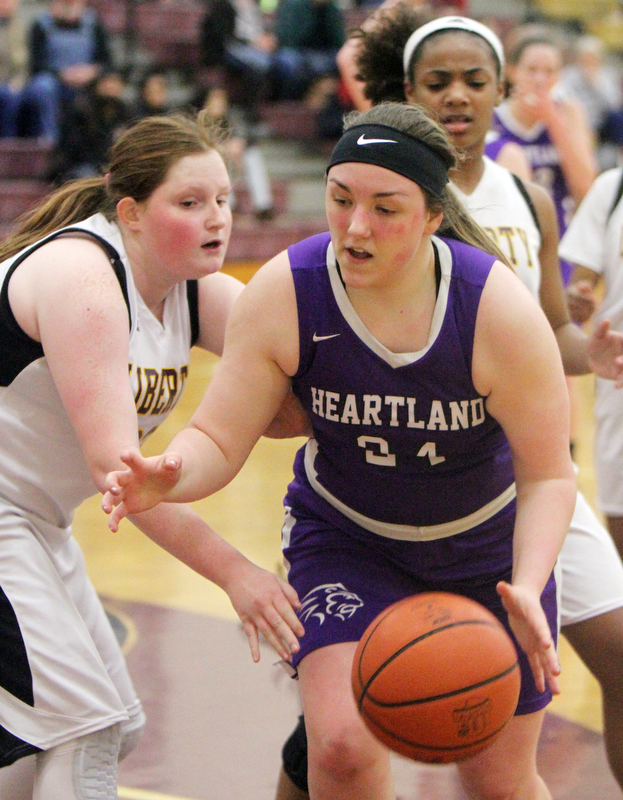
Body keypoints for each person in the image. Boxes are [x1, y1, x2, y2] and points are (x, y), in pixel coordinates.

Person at [103, 100, 577, 800]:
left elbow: (547, 476)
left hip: (488, 555)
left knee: (499, 781)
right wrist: (171, 477)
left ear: (431, 218)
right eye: (340, 199)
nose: (356, 226)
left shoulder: (494, 309)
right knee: (342, 748)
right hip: (348, 542)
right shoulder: (286, 291)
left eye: (385, 207)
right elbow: (215, 438)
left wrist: (530, 585)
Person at [274, 14, 623, 799]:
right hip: (383, 489)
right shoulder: (372, 197)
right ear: (406, 92)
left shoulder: (526, 199)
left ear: (503, 90)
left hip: (520, 484)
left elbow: (550, 329)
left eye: (474, 80)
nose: (458, 96)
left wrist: (590, 355)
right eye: (438, 83)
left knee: (605, 658)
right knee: (341, 726)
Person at [0, 110, 304, 799]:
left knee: (101, 725)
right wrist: (235, 572)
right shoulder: (84, 281)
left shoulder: (191, 289)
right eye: (190, 203)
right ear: (132, 212)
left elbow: (304, 383)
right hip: (7, 517)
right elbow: (124, 481)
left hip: (32, 522)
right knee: (84, 729)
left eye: (222, 201)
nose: (215, 219)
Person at [490, 26, 597, 287]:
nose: (540, 79)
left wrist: (552, 119)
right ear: (512, 72)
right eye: (532, 69)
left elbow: (586, 189)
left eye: (550, 71)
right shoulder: (492, 119)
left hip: (558, 240)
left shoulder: (568, 113)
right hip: (507, 240)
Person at [561, 168, 623, 566]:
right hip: (618, 373)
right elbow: (576, 286)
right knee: (617, 500)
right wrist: (575, 298)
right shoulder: (612, 188)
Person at [21, 0, 114, 143]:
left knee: (109, 86)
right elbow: (35, 65)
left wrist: (91, 72)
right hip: (55, 81)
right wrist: (62, 74)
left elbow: (107, 62)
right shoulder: (41, 25)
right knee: (42, 86)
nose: (69, 5)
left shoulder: (94, 24)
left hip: (88, 81)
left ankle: (105, 141)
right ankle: (49, 140)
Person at [272, 0, 346, 101]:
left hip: (323, 53)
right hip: (297, 52)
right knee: (288, 60)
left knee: (341, 59)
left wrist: (325, 12)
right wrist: (313, 11)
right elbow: (290, 39)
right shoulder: (294, 5)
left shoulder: (331, 8)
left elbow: (339, 40)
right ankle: (287, 102)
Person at [0, 0, 28, 137]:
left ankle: (10, 148)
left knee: (10, 95)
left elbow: (29, 62)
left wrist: (19, 81)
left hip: (19, 83)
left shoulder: (25, 25)